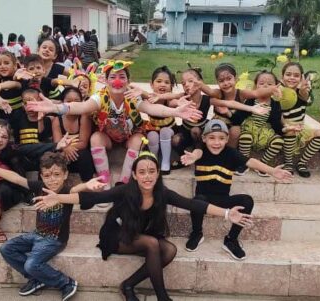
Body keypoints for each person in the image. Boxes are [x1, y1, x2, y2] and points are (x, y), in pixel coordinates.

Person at [32, 141, 254, 301]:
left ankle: (128, 285)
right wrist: (58, 197)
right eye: (142, 172)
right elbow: (89, 197)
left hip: (141, 236)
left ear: (157, 173)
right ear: (135, 175)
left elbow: (193, 204)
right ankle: (162, 297)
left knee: (169, 251)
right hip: (116, 235)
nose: (147, 176)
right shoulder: (125, 191)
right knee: (153, 244)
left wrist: (226, 214)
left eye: (151, 171)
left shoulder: (162, 193)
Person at [26, 60, 203, 189]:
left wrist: (176, 112)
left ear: (127, 80)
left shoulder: (132, 97)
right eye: (113, 77)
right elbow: (81, 106)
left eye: (122, 77)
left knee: (137, 140)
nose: (117, 80)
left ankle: (123, 183)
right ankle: (104, 181)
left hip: (128, 136)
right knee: (96, 138)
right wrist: (56, 107)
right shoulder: (100, 97)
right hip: (108, 138)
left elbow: (154, 108)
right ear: (106, 80)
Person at [0, 152, 103, 300]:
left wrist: (86, 185)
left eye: (56, 174)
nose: (52, 180)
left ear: (65, 175)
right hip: (37, 234)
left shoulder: (67, 191)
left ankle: (66, 283)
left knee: (31, 264)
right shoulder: (39, 187)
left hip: (55, 240)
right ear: (41, 176)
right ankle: (37, 279)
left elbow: (77, 191)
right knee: (6, 248)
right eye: (47, 175)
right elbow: (15, 178)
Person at [180, 120, 292, 259]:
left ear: (227, 139)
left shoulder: (231, 153)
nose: (216, 142)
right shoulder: (201, 150)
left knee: (247, 200)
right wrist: (193, 156)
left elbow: (251, 162)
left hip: (223, 199)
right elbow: (197, 152)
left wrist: (271, 171)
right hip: (204, 201)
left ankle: (231, 240)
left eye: (221, 138)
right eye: (212, 138)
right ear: (204, 138)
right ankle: (197, 233)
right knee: (197, 200)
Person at [233, 71, 285, 177]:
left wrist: (285, 130)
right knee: (245, 137)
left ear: (275, 87)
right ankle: (244, 162)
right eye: (261, 83)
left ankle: (262, 163)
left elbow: (276, 122)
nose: (265, 86)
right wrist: (230, 115)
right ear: (256, 85)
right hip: (250, 129)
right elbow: (239, 116)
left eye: (270, 84)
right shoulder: (251, 100)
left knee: (279, 141)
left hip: (265, 132)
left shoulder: (275, 104)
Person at [279, 62, 320, 177]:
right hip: (283, 126)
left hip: (300, 126)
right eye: (288, 74)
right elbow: (277, 114)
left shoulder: (304, 90)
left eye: (296, 75)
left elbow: (304, 97)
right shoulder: (278, 90)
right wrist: (287, 126)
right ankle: (288, 162)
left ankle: (302, 162)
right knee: (291, 131)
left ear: (301, 78)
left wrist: (302, 91)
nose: (292, 78)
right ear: (282, 76)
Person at [51, 87, 95, 181]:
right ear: (62, 102)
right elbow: (57, 143)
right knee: (50, 158)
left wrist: (69, 148)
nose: (73, 104)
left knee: (84, 155)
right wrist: (65, 148)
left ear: (82, 102)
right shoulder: (57, 120)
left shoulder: (84, 117)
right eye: (69, 101)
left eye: (76, 101)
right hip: (63, 155)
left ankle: (87, 184)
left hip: (79, 156)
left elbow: (83, 143)